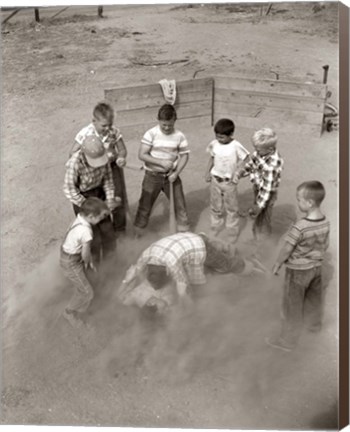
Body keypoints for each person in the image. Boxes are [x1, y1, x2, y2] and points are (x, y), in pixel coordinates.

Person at [118, 232, 265, 312]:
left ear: (167, 273)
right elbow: (130, 274)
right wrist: (120, 290)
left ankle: (251, 265)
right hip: (182, 243)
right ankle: (218, 245)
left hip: (197, 246)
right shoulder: (146, 257)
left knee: (225, 265)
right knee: (206, 271)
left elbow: (183, 291)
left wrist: (187, 311)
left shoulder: (172, 264)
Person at [266, 181, 330, 352]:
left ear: (309, 203)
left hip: (297, 272)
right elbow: (325, 245)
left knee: (292, 305)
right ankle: (313, 326)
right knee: (314, 299)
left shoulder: (299, 227)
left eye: (299, 200)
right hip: (316, 268)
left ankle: (288, 340)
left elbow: (287, 248)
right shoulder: (326, 222)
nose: (298, 203)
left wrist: (278, 263)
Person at [70, 102, 128, 235]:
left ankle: (119, 229)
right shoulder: (86, 133)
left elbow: (122, 150)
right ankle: (94, 228)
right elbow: (72, 152)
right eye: (104, 125)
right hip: (93, 169)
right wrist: (83, 166)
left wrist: (121, 157)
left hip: (111, 168)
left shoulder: (114, 132)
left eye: (110, 124)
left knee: (116, 198)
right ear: (94, 121)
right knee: (98, 198)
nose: (107, 128)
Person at [133, 104, 190, 236]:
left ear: (175, 120)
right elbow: (142, 155)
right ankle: (138, 234)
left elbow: (185, 156)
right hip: (152, 176)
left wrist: (176, 173)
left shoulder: (179, 136)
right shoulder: (151, 133)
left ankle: (184, 233)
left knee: (180, 204)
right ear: (158, 120)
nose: (166, 128)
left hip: (171, 176)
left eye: (169, 125)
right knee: (145, 206)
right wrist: (161, 162)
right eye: (163, 125)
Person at [63, 134, 120, 264]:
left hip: (98, 192)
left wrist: (110, 199)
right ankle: (94, 266)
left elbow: (108, 180)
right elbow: (69, 189)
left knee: (108, 231)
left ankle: (111, 264)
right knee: (92, 236)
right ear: (84, 154)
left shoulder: (104, 158)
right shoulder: (74, 163)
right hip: (82, 197)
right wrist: (88, 205)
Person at [60, 197, 111, 327]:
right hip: (71, 262)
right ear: (91, 216)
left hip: (67, 255)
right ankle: (69, 312)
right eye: (101, 217)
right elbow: (85, 253)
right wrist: (89, 262)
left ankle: (80, 299)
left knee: (85, 284)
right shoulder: (86, 231)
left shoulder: (79, 219)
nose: (102, 219)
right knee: (87, 292)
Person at [204, 118, 249, 242]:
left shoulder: (236, 146)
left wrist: (239, 172)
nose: (219, 139)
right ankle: (215, 226)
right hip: (215, 180)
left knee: (231, 208)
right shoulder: (214, 144)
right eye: (217, 136)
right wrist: (207, 172)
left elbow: (246, 159)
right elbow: (212, 158)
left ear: (231, 135)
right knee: (215, 206)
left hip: (229, 183)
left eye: (222, 137)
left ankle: (232, 232)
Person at [237, 128, 283, 242]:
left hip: (268, 193)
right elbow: (252, 163)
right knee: (258, 214)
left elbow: (267, 189)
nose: (256, 151)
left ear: (270, 148)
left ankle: (263, 243)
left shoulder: (272, 165)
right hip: (259, 187)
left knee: (263, 219)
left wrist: (259, 205)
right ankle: (257, 234)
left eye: (258, 149)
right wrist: (242, 171)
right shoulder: (260, 153)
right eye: (255, 148)